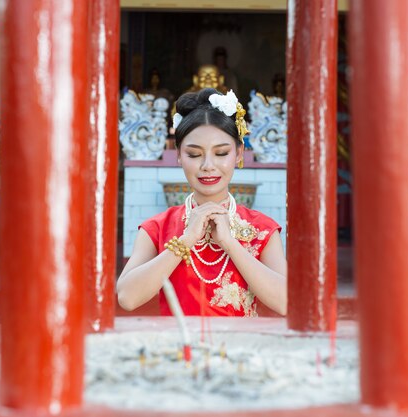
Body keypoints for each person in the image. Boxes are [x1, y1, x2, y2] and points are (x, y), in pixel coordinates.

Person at [117, 88, 287, 317]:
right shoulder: (157, 228)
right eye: (194, 155)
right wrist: (185, 241)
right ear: (178, 155)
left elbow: (287, 302)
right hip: (180, 350)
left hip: (240, 348)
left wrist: (230, 243)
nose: (208, 165)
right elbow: (127, 298)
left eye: (221, 153)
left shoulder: (262, 229)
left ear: (239, 153)